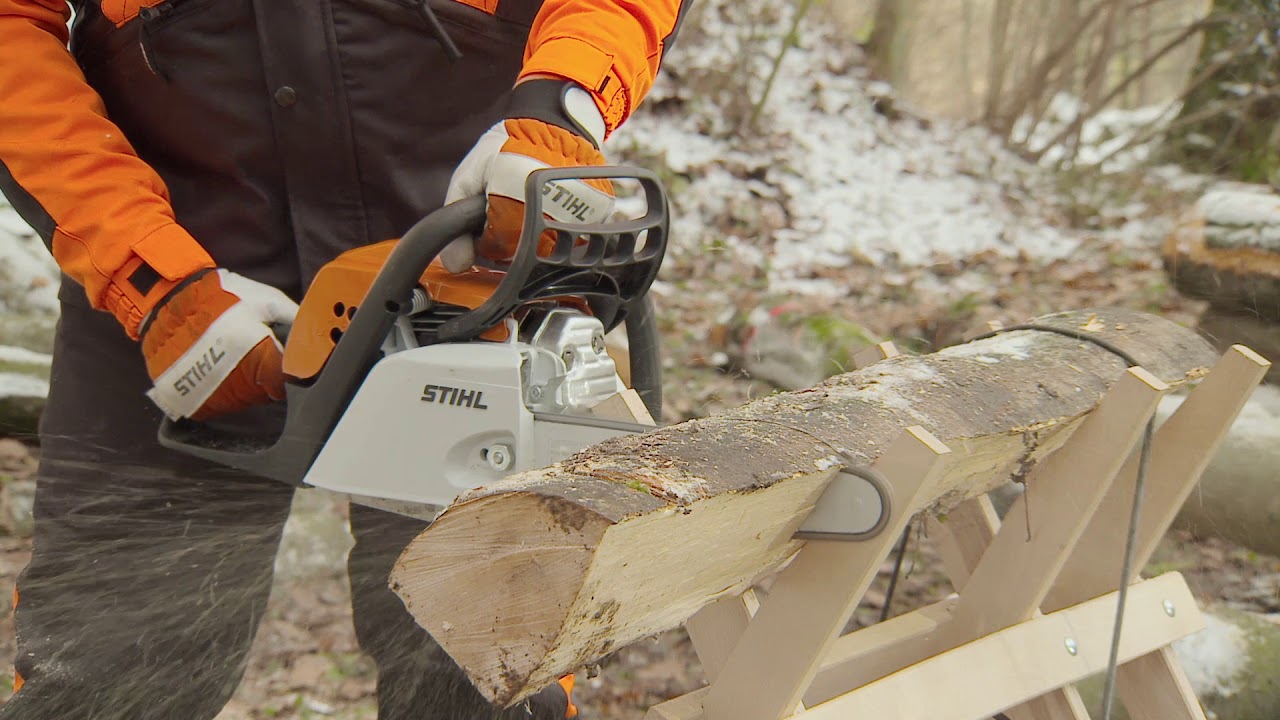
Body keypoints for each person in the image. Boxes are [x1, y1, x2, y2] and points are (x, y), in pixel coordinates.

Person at [0, 1, 687, 718]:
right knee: (104, 680)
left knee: (488, 671)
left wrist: (561, 105)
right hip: (183, 268)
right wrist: (143, 270)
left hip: (466, 255)